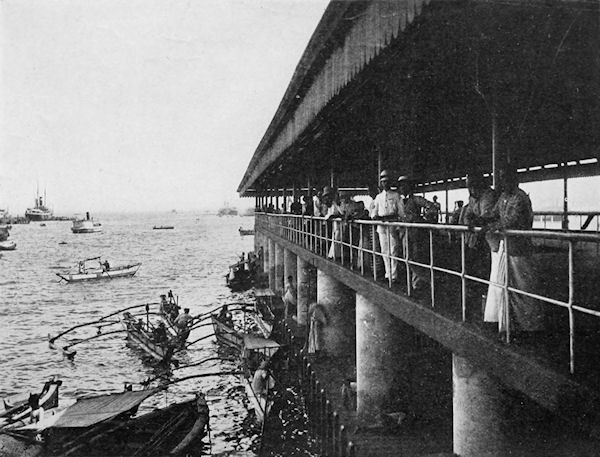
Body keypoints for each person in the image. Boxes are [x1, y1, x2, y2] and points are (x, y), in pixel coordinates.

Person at [483, 166, 544, 335]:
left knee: (524, 287)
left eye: (506, 179)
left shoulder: (520, 197)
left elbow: (512, 220)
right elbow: (494, 213)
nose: (503, 183)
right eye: (502, 179)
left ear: (514, 180)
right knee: (508, 286)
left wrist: (489, 226)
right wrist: (481, 218)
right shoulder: (504, 197)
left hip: (520, 249)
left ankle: (532, 326)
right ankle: (514, 323)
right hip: (508, 247)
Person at [397, 175, 435, 291]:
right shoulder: (398, 201)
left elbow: (432, 206)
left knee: (414, 257)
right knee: (406, 257)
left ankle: (424, 279)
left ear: (410, 186)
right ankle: (416, 283)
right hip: (404, 232)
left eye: (405, 185)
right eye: (401, 185)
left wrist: (424, 218)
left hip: (415, 233)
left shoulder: (416, 199)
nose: (403, 188)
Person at [371, 170, 402, 282]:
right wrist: (375, 216)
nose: (385, 184)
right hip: (381, 226)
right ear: (381, 183)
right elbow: (373, 210)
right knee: (384, 250)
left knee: (393, 249)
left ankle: (394, 275)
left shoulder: (396, 195)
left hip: (392, 224)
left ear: (390, 182)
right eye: (383, 182)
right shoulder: (378, 197)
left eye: (387, 181)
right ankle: (388, 273)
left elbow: (401, 212)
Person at [322, 186, 344, 259]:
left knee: (337, 240)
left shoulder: (337, 203)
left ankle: (336, 256)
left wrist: (333, 216)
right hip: (334, 225)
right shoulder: (331, 204)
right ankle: (333, 255)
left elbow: (342, 213)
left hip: (340, 225)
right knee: (334, 239)